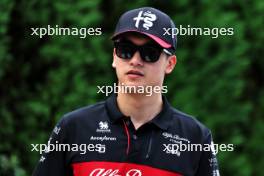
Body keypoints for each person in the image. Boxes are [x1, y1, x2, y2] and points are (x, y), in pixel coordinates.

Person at [33, 7, 220, 176]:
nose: (135, 60)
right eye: (126, 50)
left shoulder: (196, 138)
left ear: (169, 64)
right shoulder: (73, 127)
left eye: (149, 52)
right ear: (114, 57)